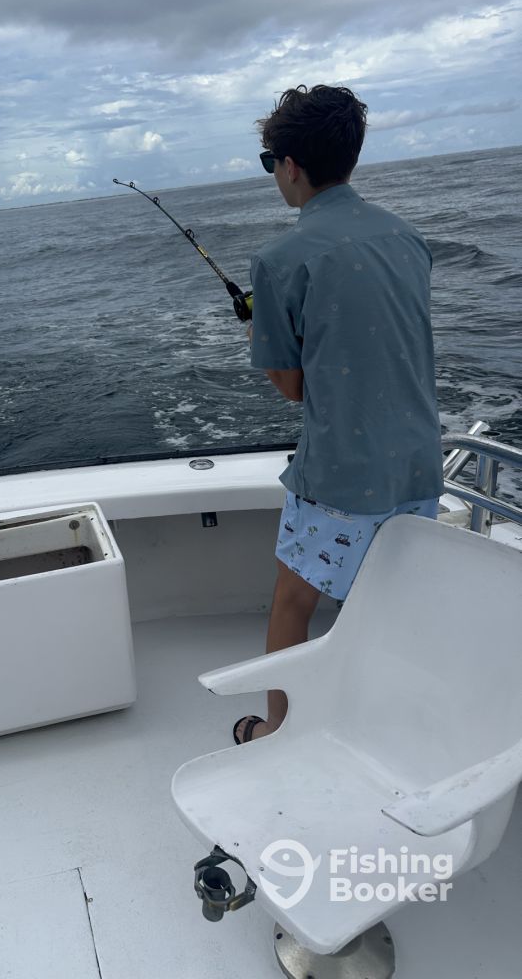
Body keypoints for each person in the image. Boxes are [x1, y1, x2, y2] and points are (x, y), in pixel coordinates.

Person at [233, 84, 444, 745]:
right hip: (418, 464)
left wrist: (258, 333)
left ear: (291, 165)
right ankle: (387, 725)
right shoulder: (407, 237)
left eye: (270, 163)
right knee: (388, 603)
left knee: (294, 600)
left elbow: (293, 389)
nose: (274, 176)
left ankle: (276, 732)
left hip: (340, 476)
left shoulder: (279, 261)